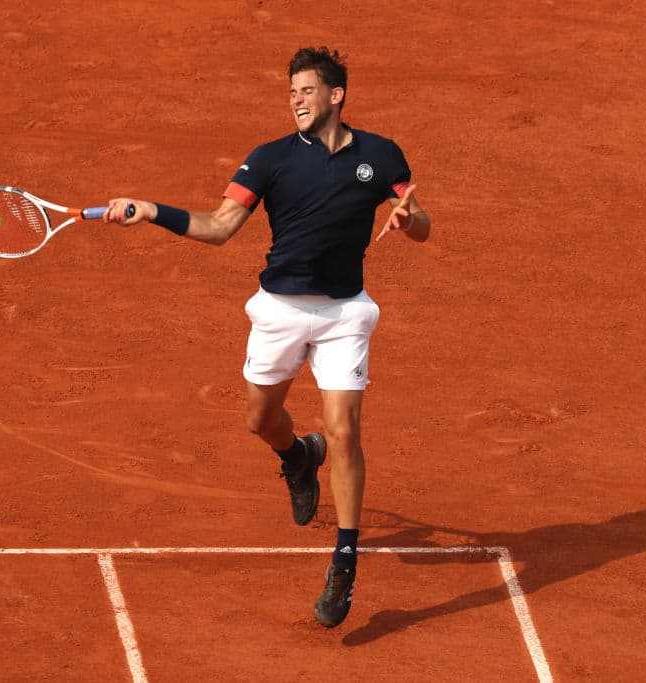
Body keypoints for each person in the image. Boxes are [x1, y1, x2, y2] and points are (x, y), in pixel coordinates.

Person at [103, 46, 431, 628]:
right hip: (279, 311)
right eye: (291, 92)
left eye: (306, 90)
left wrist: (411, 222)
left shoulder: (381, 155)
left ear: (336, 95)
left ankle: (345, 562)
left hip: (345, 313)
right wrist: (152, 210)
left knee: (346, 432)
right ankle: (297, 456)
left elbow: (420, 221)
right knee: (260, 420)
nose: (296, 100)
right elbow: (219, 226)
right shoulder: (269, 159)